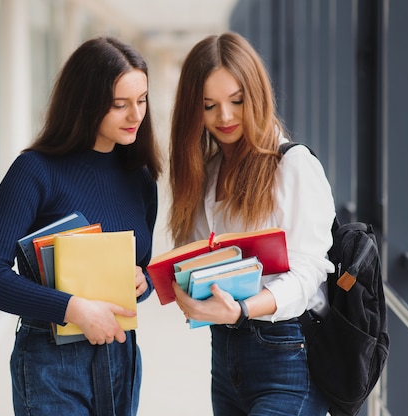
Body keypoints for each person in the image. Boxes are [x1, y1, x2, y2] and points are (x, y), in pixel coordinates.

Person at [0, 36, 161, 415]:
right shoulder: (34, 172)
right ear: (86, 105)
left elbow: (143, 265)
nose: (136, 115)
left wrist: (145, 281)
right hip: (51, 362)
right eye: (120, 105)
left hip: (121, 355)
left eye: (141, 100)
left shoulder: (139, 178)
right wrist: (74, 309)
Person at [167, 32, 335, 415]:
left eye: (237, 101)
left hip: (286, 353)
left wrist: (242, 310)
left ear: (256, 95)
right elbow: (200, 257)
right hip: (225, 356)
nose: (224, 117)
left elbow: (309, 272)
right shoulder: (206, 173)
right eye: (209, 105)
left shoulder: (292, 165)